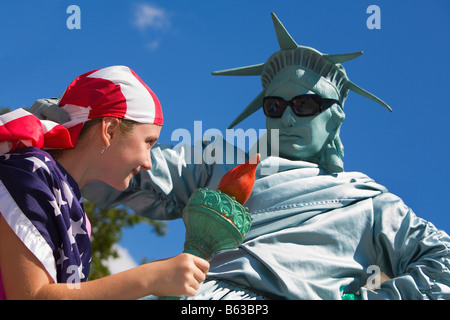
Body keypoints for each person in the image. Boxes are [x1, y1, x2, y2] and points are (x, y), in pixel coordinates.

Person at [36, 14, 450, 300]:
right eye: (274, 106)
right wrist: (66, 123)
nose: (287, 116)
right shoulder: (220, 160)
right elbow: (119, 170)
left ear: (335, 116)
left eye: (305, 105)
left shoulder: (370, 203)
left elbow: (443, 263)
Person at [0, 65, 209, 300]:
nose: (149, 162)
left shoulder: (73, 210)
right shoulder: (29, 173)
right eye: (148, 142)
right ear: (109, 130)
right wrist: (150, 278)